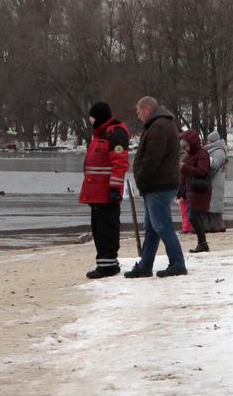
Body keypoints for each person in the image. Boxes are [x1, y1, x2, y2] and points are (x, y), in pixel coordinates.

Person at [126, 97, 186, 278]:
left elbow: (153, 158)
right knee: (152, 227)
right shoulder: (161, 124)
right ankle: (145, 265)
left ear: (146, 109)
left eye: (139, 112)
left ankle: (177, 263)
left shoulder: (159, 126)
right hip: (157, 184)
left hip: (158, 184)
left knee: (161, 224)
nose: (138, 117)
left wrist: (141, 178)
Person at [78, 101, 131, 279]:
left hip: (106, 192)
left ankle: (108, 265)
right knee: (99, 228)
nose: (90, 121)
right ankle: (106, 263)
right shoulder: (100, 134)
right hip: (96, 191)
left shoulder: (114, 133)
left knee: (106, 228)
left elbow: (120, 163)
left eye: (92, 117)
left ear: (98, 117)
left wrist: (115, 188)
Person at [180, 129, 213, 253]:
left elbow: (203, 171)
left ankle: (202, 243)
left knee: (193, 216)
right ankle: (202, 242)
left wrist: (185, 167)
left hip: (200, 190)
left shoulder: (202, 154)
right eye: (184, 146)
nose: (186, 148)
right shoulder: (189, 156)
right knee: (193, 216)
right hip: (191, 190)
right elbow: (185, 176)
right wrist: (181, 191)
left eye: (187, 145)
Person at [203, 129, 230, 232]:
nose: (207, 142)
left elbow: (214, 166)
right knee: (210, 205)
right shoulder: (215, 150)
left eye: (209, 140)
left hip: (215, 183)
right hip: (213, 182)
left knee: (214, 206)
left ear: (213, 141)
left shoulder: (219, 151)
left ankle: (217, 226)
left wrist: (204, 172)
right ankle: (211, 226)